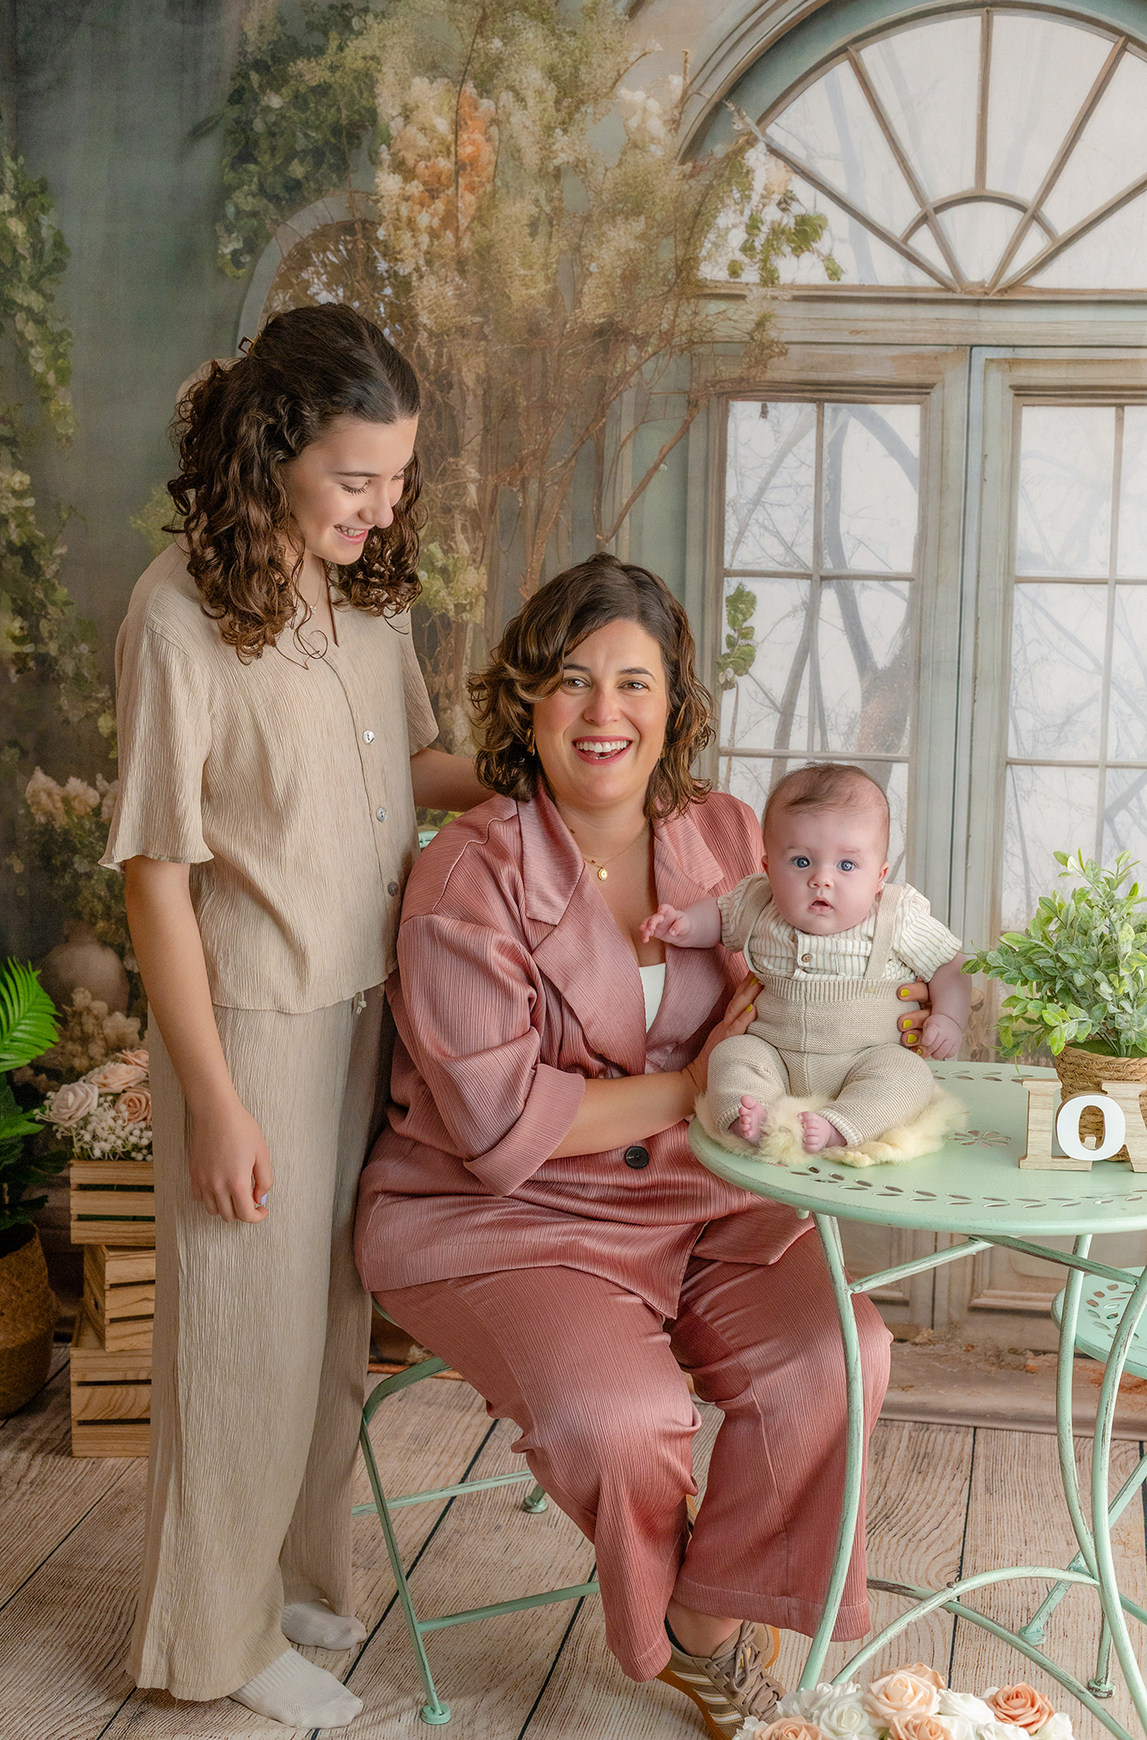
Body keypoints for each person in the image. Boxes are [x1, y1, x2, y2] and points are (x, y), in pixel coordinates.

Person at [355, 553, 930, 1736]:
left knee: (843, 1356)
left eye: (635, 682)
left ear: (675, 707)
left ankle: (704, 1629)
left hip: (711, 1193)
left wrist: (884, 1013)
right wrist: (698, 1086)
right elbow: (503, 1121)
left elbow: (805, 978)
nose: (604, 712)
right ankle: (703, 1634)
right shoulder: (467, 870)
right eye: (572, 682)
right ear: (528, 703)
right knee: (615, 1419)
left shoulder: (727, 830)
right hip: (501, 1218)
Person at [101, 305, 484, 1728]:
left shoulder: (367, 599)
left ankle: (289, 1579)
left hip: (369, 1003)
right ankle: (211, 1638)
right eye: (356, 482)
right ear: (273, 457)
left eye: (396, 481)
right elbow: (157, 876)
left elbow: (413, 770)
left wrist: (532, 779)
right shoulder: (176, 618)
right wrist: (210, 1097)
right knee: (238, 1347)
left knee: (330, 1325)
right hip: (253, 1023)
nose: (383, 512)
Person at [643, 763, 970, 1166]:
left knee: (907, 1076)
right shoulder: (758, 900)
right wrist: (686, 924)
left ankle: (838, 1125)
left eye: (846, 865)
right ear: (767, 869)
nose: (822, 879)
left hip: (865, 1057)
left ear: (880, 877)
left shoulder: (898, 915)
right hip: (774, 1051)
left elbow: (951, 965)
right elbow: (719, 917)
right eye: (801, 862)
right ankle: (747, 1117)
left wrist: (949, 1019)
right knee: (732, 1056)